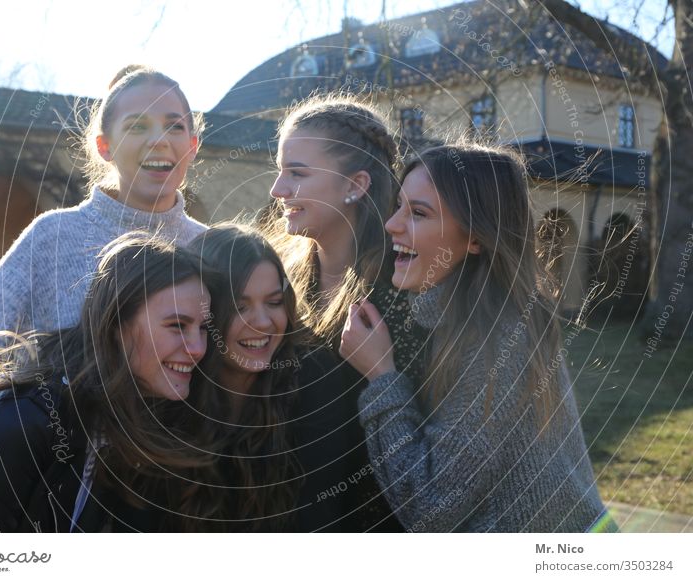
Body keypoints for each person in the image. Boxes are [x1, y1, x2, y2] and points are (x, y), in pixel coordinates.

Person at [0, 65, 207, 528]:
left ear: (193, 145)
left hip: (177, 509)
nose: (159, 140)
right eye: (136, 125)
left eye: (175, 125)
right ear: (105, 146)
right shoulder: (55, 238)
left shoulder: (213, 251)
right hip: (52, 508)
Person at [339, 142, 618, 532]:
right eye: (398, 206)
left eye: (418, 213)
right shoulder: (470, 318)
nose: (392, 225)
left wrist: (382, 376)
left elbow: (432, 508)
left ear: (475, 237)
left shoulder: (497, 341)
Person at [0, 234, 214, 532]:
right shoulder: (19, 424)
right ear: (116, 324)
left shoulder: (121, 427)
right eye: (177, 326)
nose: (197, 348)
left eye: (203, 329)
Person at [264, 94, 430, 530]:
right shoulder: (273, 284)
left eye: (297, 173)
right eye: (280, 171)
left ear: (355, 185)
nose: (277, 190)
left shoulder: (400, 297)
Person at [179, 224, 354, 532]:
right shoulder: (174, 378)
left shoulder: (313, 375)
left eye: (274, 302)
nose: (262, 323)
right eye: (239, 306)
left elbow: (318, 516)